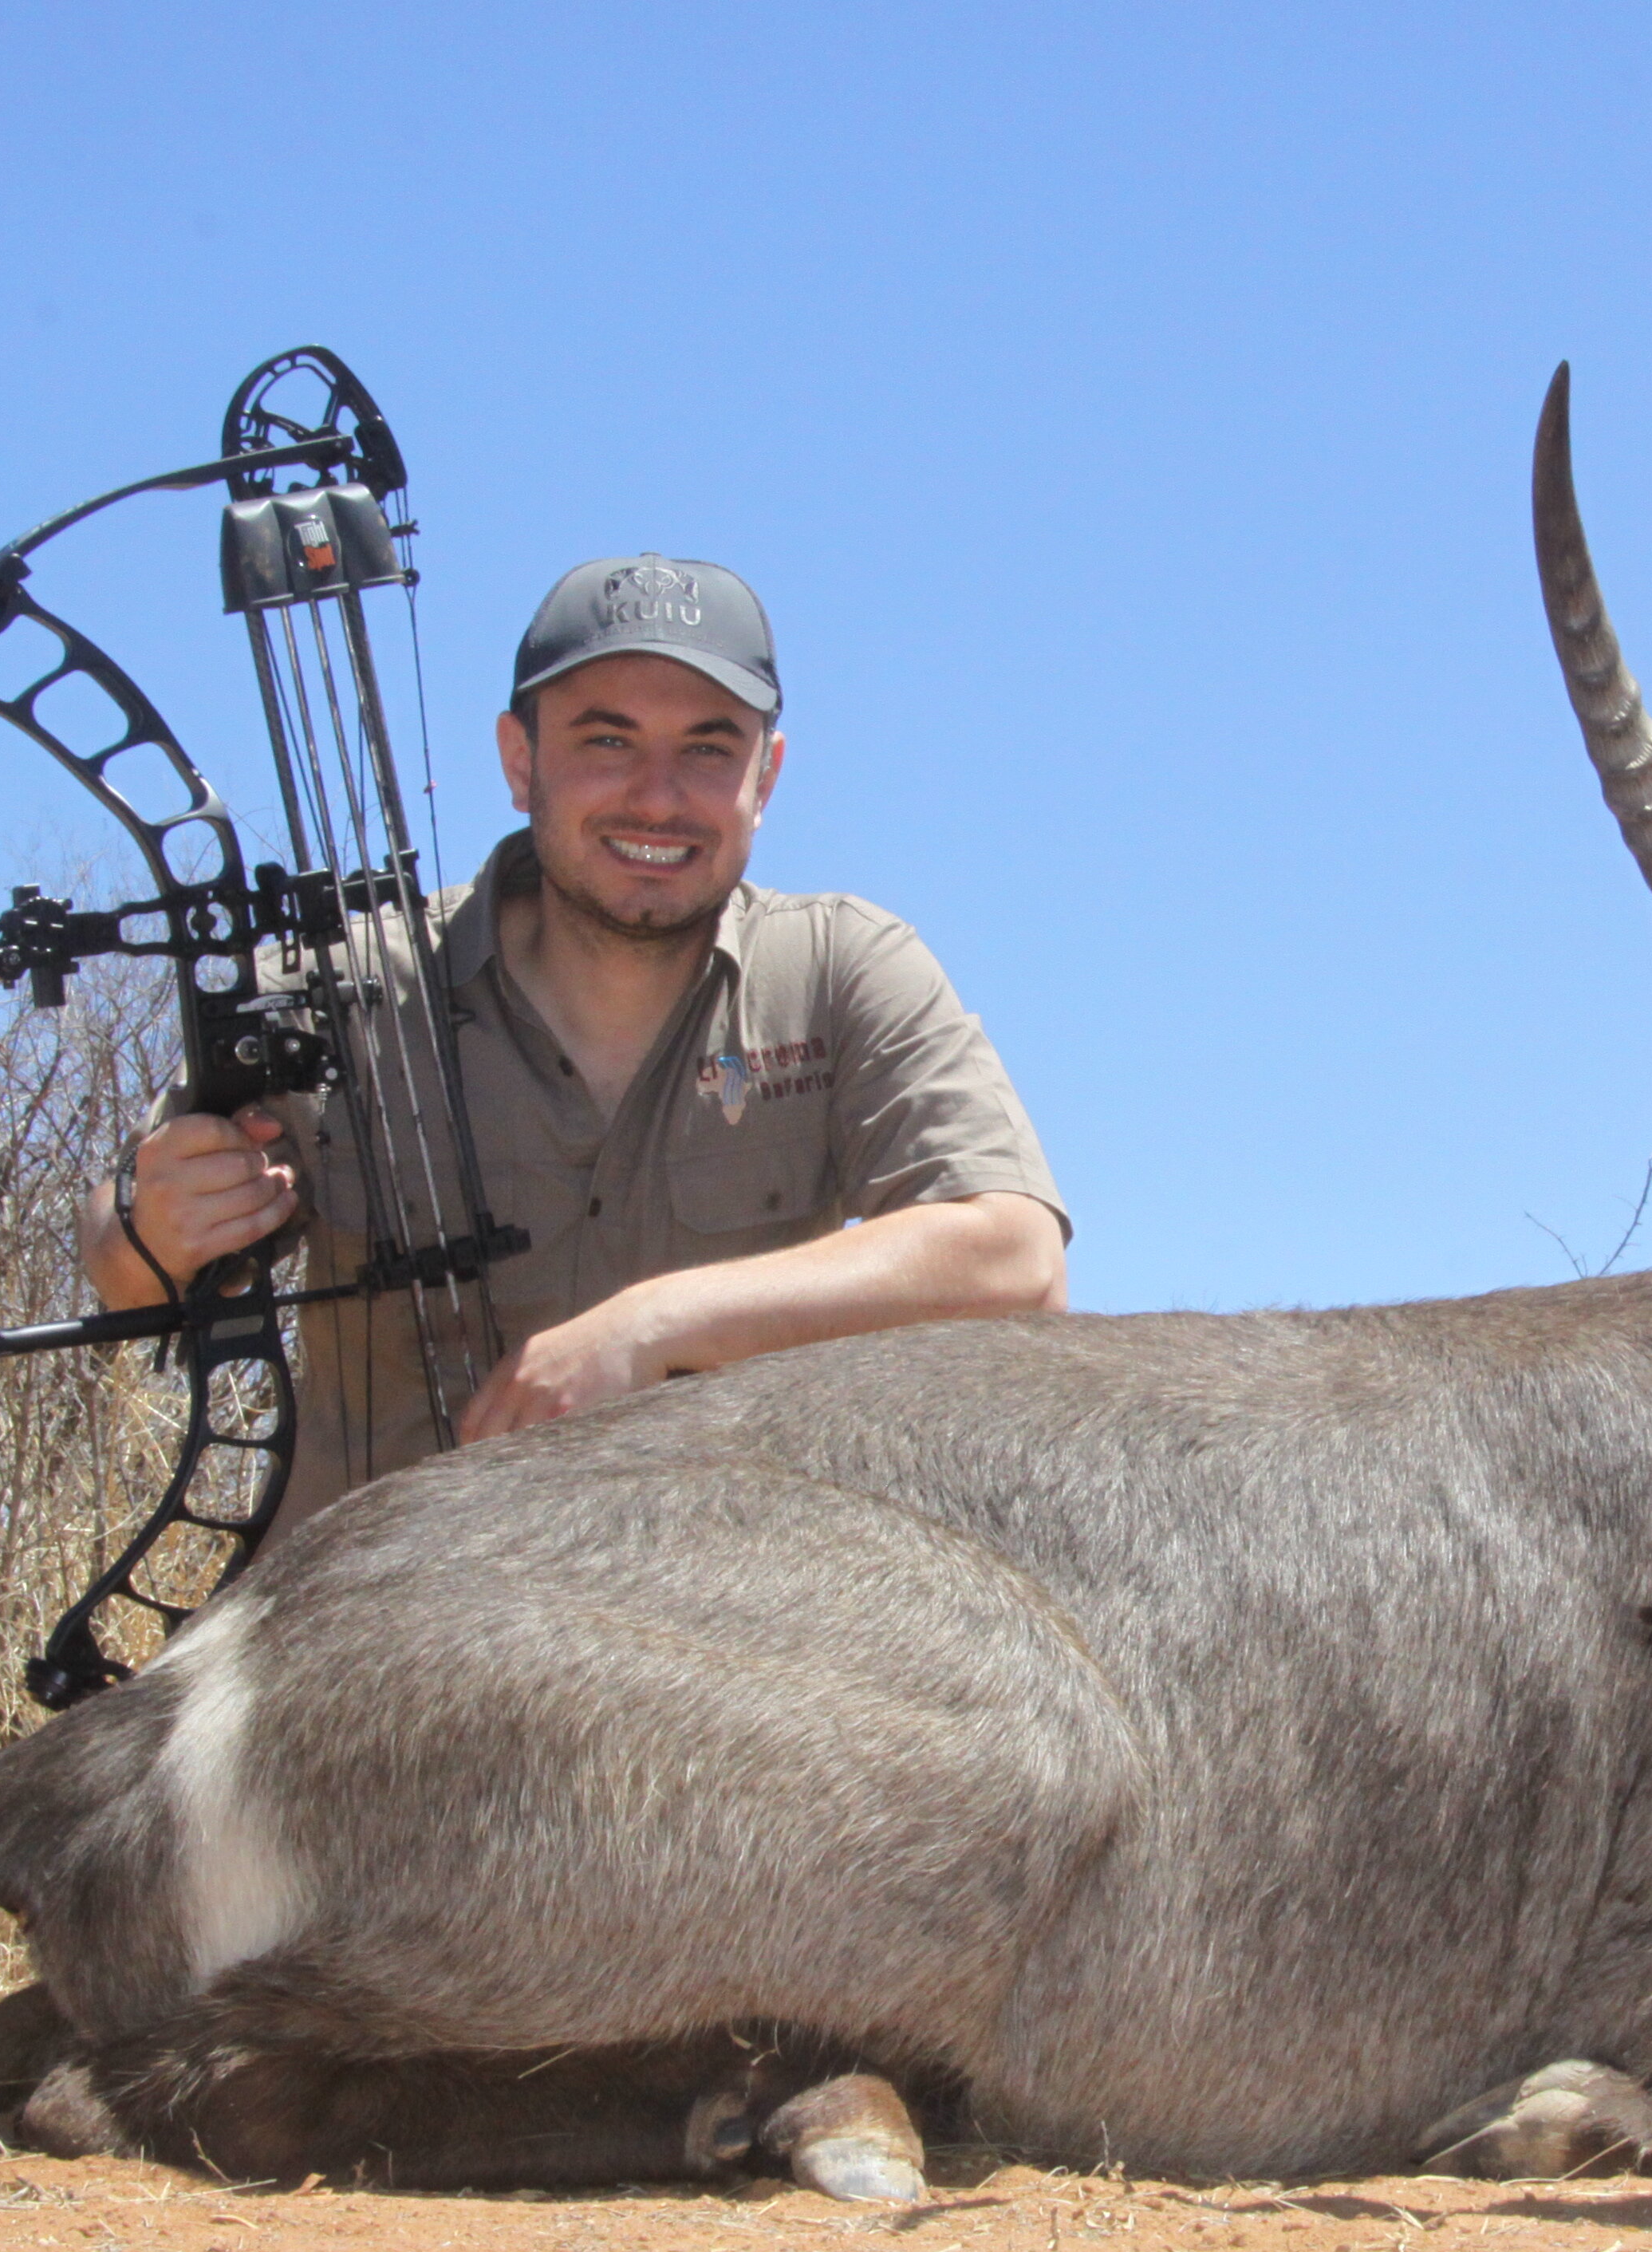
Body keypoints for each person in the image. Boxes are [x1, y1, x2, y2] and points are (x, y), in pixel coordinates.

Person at [79, 553, 1069, 1540]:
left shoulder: (844, 965)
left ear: (765, 776)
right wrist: (160, 1219)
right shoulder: (342, 985)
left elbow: (1015, 1262)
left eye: (708, 749)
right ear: (520, 760)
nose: (657, 797)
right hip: (370, 1628)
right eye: (607, 740)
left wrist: (652, 1329)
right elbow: (123, 1270)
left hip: (716, 1629)